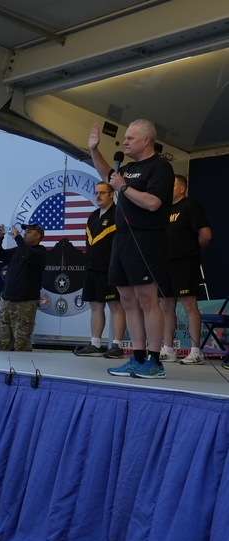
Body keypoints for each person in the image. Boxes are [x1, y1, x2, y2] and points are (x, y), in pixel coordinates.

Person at [89, 119, 175, 379]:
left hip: (146, 239)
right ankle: (137, 357)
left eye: (130, 138)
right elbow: (108, 176)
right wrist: (94, 150)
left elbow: (153, 203)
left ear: (146, 140)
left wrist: (124, 187)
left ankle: (154, 360)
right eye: (125, 138)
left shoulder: (160, 167)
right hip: (122, 238)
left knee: (147, 300)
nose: (124, 142)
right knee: (126, 299)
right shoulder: (127, 168)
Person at [160, 174, 211, 365]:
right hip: (165, 263)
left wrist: (192, 252)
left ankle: (196, 351)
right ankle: (168, 349)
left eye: (171, 185)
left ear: (182, 188)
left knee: (189, 305)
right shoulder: (163, 210)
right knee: (166, 306)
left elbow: (205, 235)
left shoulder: (190, 206)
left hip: (185, 262)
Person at [74, 182, 127, 358]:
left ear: (112, 194)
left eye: (102, 192)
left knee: (116, 306)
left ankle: (117, 345)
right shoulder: (93, 216)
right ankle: (95, 343)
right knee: (95, 307)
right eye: (96, 193)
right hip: (92, 268)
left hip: (110, 269)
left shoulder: (119, 213)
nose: (98, 196)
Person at [0, 223, 47, 351]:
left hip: (25, 304)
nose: (25, 233)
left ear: (37, 235)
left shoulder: (40, 252)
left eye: (29, 231)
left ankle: (22, 369)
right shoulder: (17, 251)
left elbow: (29, 255)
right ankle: (2, 369)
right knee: (1, 341)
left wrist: (17, 238)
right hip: (6, 302)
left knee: (21, 343)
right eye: (25, 231)